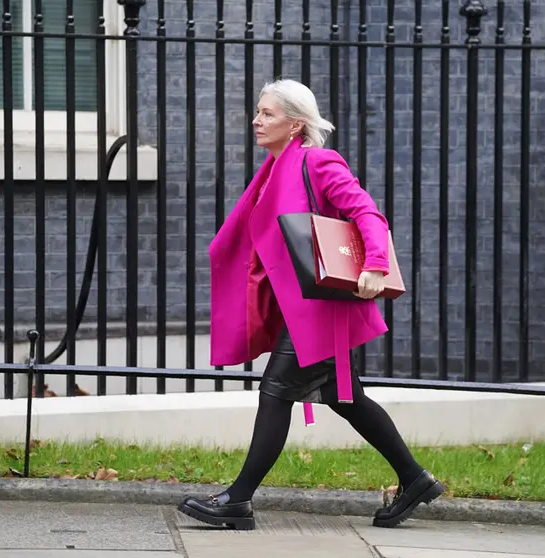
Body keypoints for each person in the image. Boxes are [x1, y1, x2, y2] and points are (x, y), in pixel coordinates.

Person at [177, 79, 445, 530]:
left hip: (320, 309)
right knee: (349, 398)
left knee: (276, 390)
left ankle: (237, 501)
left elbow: (366, 212)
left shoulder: (317, 161)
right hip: (300, 306)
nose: (257, 120)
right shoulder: (275, 166)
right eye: (258, 111)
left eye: (268, 114)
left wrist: (376, 264)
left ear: (296, 123)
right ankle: (415, 478)